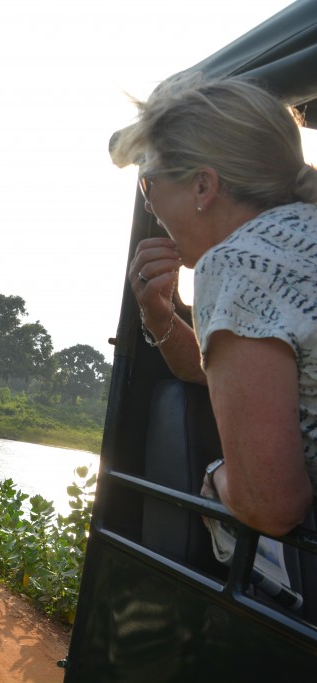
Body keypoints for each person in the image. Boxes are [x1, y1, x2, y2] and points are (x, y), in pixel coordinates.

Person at [110, 73, 317, 538]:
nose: (151, 206)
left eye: (149, 185)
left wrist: (215, 479)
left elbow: (273, 507)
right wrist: (160, 316)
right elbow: (237, 376)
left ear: (203, 187)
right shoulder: (298, 236)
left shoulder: (236, 262)